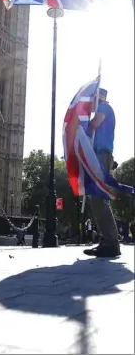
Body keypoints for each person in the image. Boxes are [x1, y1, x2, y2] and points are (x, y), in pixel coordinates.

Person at [84, 88, 121, 258]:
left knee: (99, 198)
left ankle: (111, 243)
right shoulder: (103, 108)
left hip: (102, 155)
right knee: (97, 199)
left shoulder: (104, 108)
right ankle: (107, 241)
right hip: (98, 155)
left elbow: (93, 125)